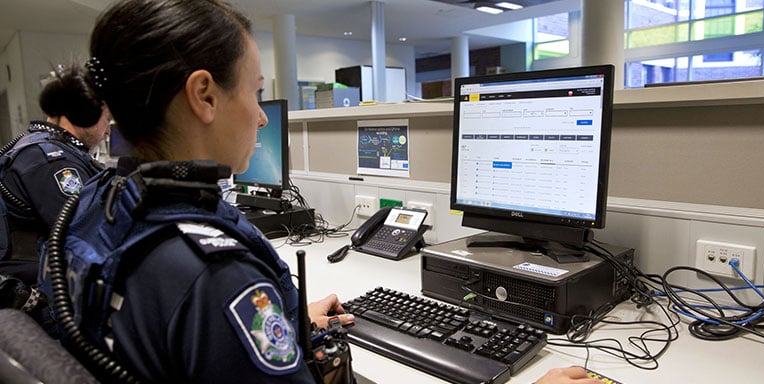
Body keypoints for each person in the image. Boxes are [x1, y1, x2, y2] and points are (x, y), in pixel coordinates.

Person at [43, 1, 602, 383]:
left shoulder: (91, 208)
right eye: (256, 92)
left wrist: (283, 318)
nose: (262, 116)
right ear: (204, 95)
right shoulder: (214, 277)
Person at [0, 65, 110, 285]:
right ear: (82, 115)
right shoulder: (54, 163)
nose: (108, 130)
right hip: (36, 289)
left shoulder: (40, 147)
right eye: (106, 119)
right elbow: (89, 236)